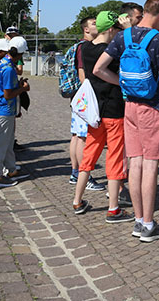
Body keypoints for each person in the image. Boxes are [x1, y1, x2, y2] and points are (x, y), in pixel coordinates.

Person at [94, 0, 159, 242]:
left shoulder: (122, 36)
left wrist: (122, 83)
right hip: (154, 107)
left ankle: (139, 221)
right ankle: (149, 225)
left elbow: (98, 69)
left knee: (135, 163)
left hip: (129, 106)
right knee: (151, 165)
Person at [72, 11, 133, 223]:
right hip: (114, 110)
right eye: (115, 29)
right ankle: (113, 208)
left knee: (89, 155)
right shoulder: (110, 51)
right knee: (115, 157)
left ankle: (78, 201)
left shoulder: (85, 48)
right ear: (110, 30)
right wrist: (128, 31)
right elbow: (133, 54)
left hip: (94, 112)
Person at [68, 16, 105, 191]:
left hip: (77, 97)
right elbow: (83, 75)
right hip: (86, 98)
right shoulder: (85, 47)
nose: (97, 26)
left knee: (76, 135)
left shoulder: (77, 46)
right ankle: (84, 175)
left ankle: (75, 173)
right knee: (83, 137)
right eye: (93, 24)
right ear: (86, 29)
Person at [0, 36, 32, 188]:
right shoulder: (8, 68)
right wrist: (23, 89)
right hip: (5, 109)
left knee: (7, 143)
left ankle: (12, 169)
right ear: (19, 54)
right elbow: (8, 94)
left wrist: (18, 85)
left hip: (6, 109)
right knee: (1, 144)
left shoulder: (4, 63)